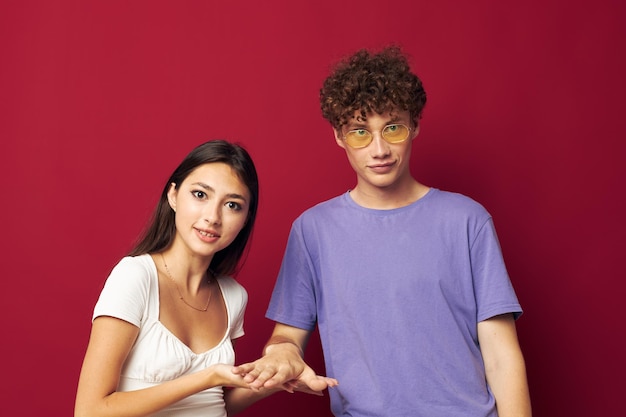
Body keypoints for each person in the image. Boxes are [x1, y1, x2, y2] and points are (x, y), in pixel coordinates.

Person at [232, 47, 532, 416]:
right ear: (339, 137)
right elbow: (287, 335)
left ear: (415, 125)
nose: (379, 150)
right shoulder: (313, 231)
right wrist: (281, 352)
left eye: (393, 128)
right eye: (360, 132)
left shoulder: (468, 221)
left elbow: (502, 356)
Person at [75, 140, 335, 417]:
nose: (212, 217)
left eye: (233, 205)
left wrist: (274, 381)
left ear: (246, 218)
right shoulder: (135, 277)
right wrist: (208, 377)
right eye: (200, 195)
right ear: (173, 196)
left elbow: (217, 404)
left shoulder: (233, 296)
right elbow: (90, 411)